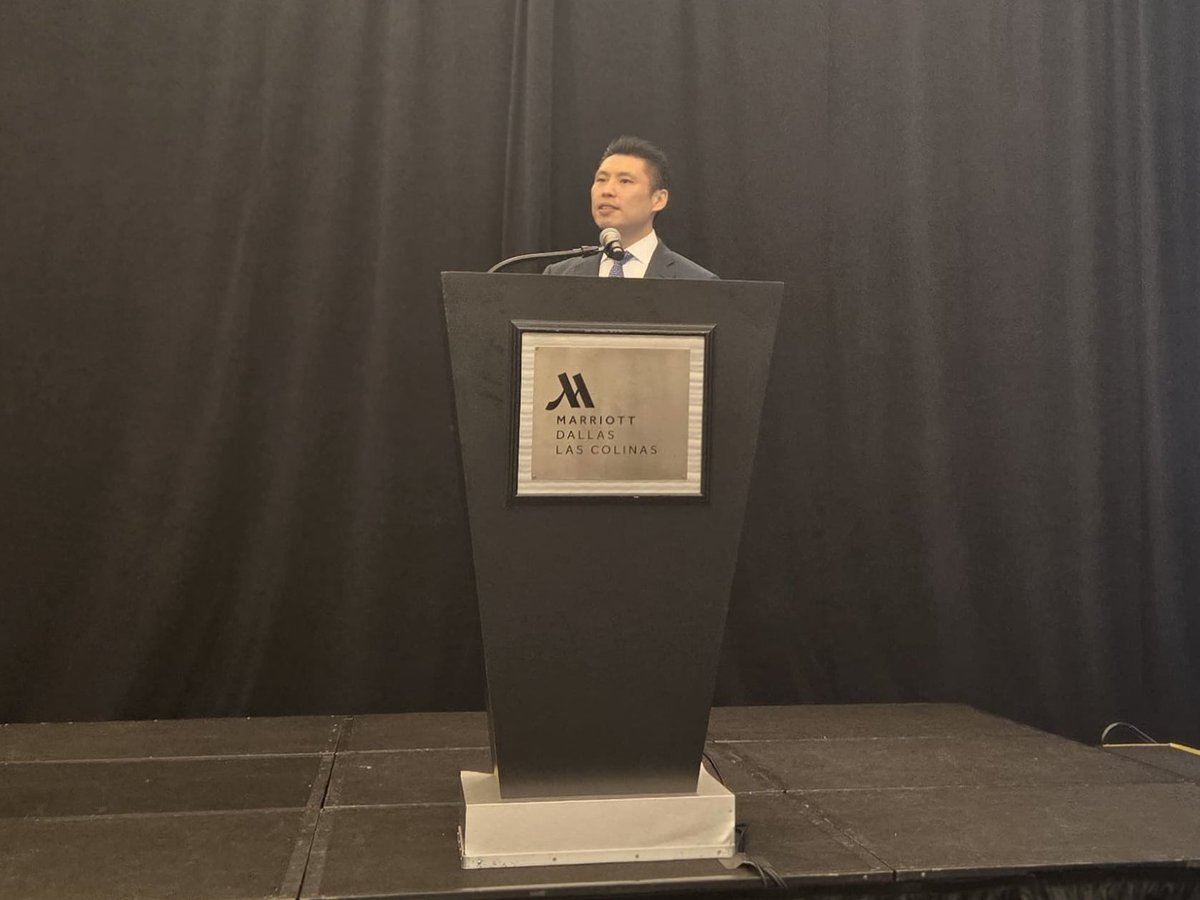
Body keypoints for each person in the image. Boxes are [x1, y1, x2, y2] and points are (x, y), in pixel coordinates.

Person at [544, 136, 717, 279]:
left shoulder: (697, 281)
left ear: (658, 199)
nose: (607, 191)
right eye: (601, 179)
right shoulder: (558, 276)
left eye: (625, 181)